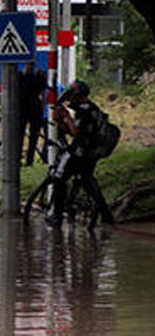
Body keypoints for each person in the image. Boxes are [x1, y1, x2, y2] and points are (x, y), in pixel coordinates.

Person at [48, 79, 115, 226]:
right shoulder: (89, 108)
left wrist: (66, 118)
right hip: (91, 153)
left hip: (80, 152)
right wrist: (61, 122)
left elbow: (77, 132)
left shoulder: (86, 112)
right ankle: (106, 215)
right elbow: (75, 131)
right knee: (87, 180)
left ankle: (57, 217)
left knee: (59, 178)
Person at [19, 63, 48, 166]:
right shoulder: (20, 76)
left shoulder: (39, 77)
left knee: (34, 136)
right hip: (22, 109)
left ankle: (29, 160)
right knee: (19, 135)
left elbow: (44, 93)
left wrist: (43, 108)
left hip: (35, 109)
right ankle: (18, 158)